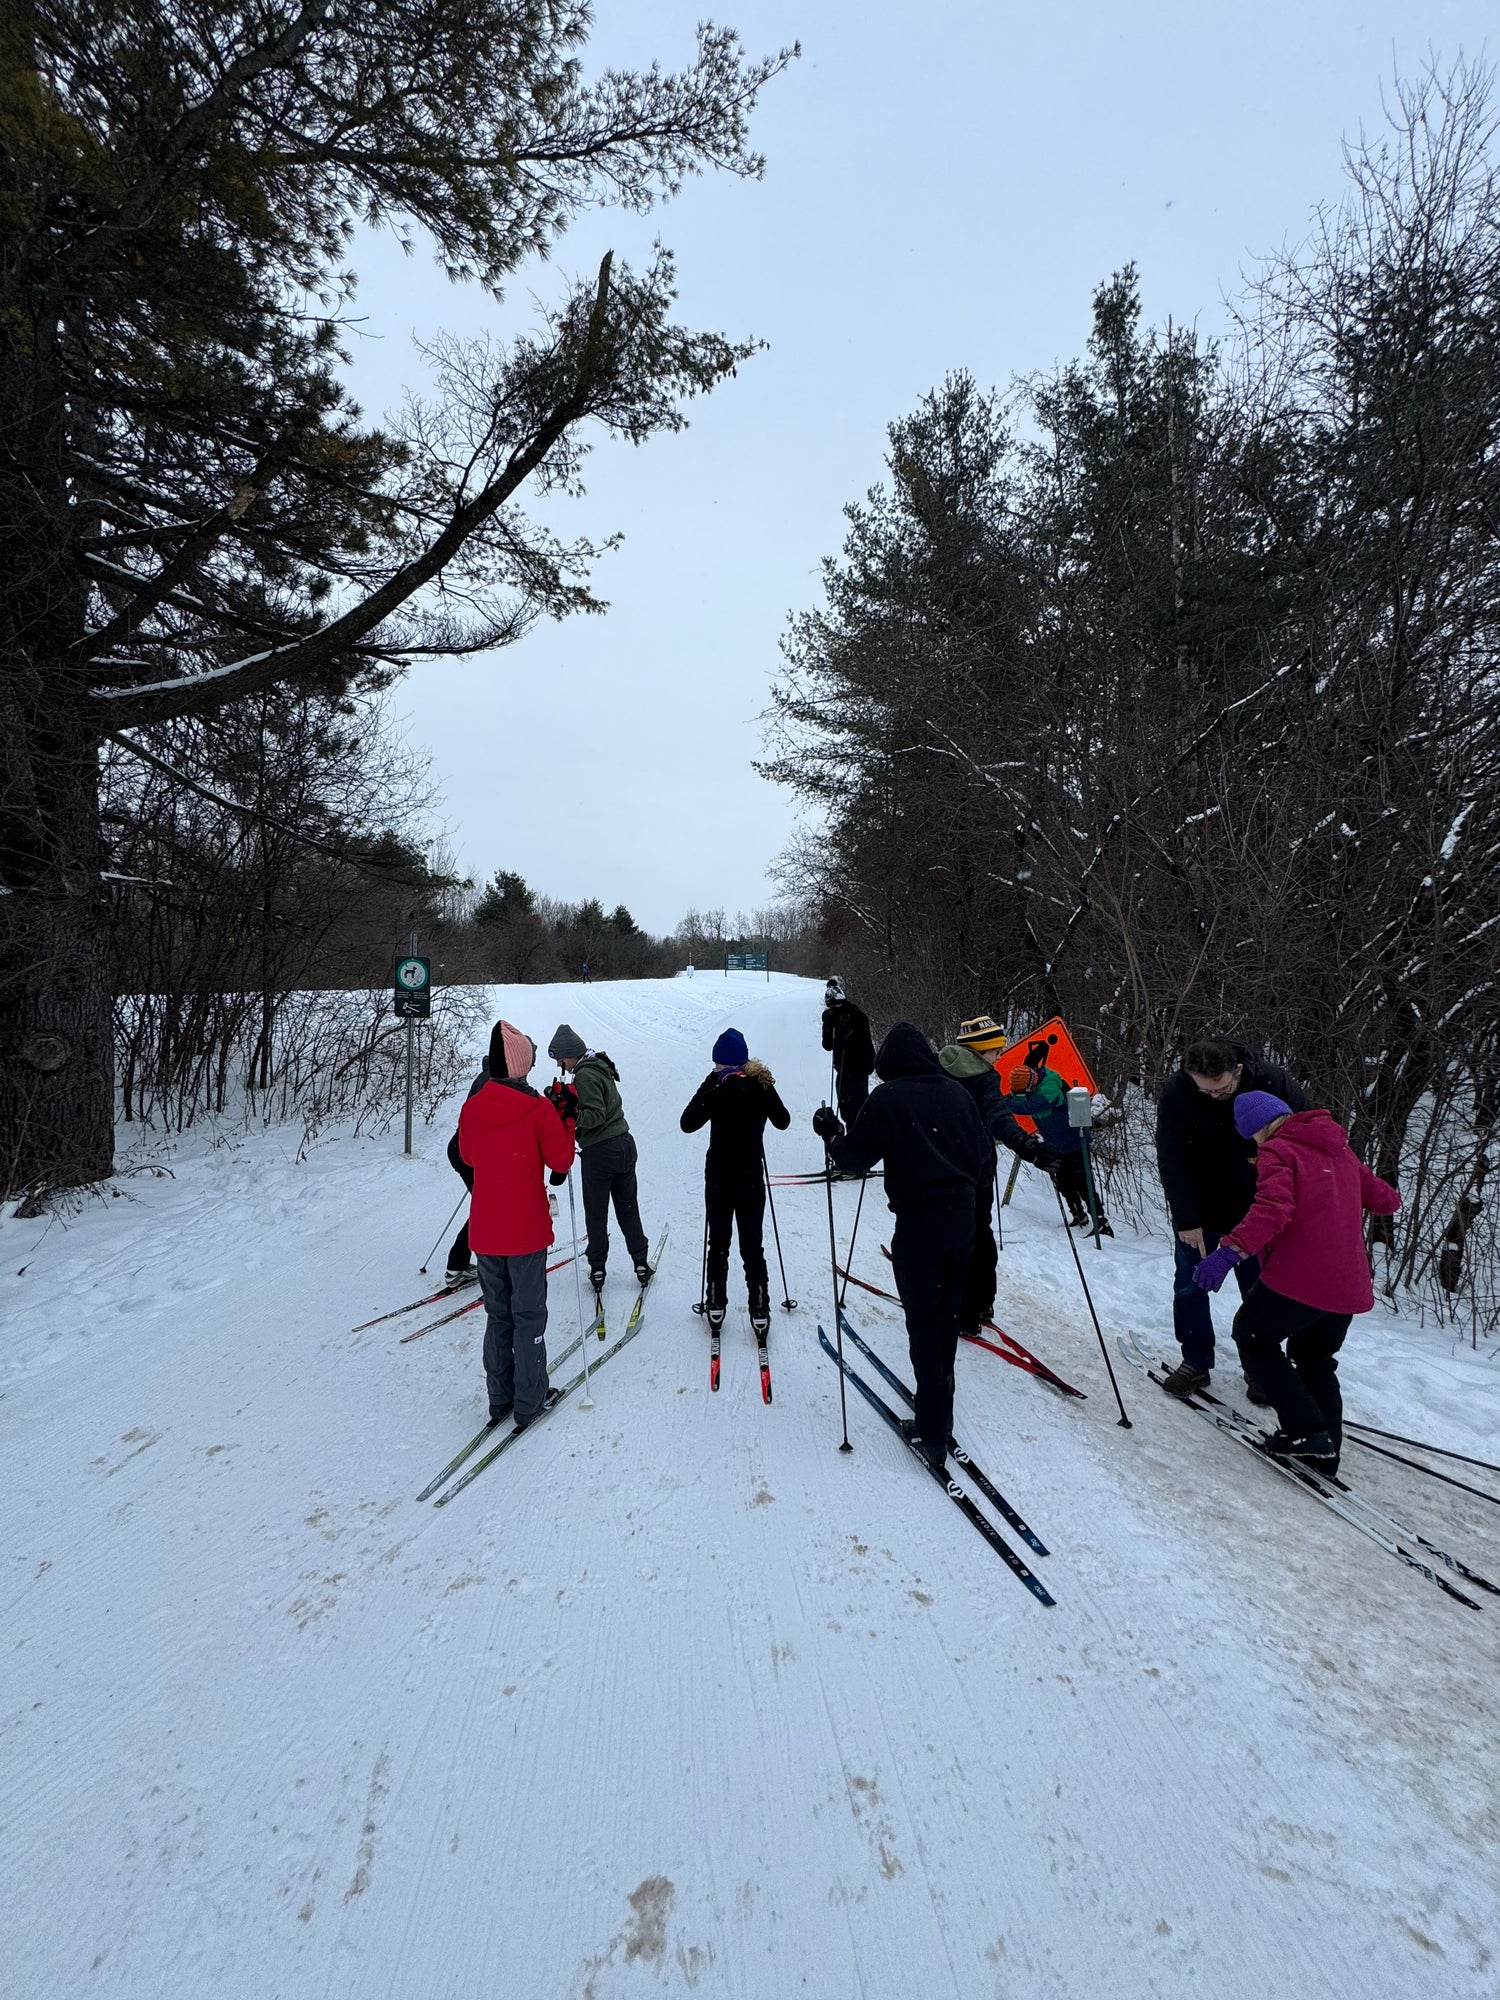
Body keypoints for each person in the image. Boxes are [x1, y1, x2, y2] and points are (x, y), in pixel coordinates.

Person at [812, 1022, 990, 1471]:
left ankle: (932, 1430)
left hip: (919, 1225)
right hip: (962, 1219)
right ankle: (938, 1398)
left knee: (924, 1321)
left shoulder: (888, 1097)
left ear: (887, 1064)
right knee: (946, 1317)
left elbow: (853, 1158)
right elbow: (983, 1157)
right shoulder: (958, 1095)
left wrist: (831, 1132)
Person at [1192, 1091, 1400, 1472]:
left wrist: (1228, 1252)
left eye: (1251, 1137)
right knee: (1315, 1360)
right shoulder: (1339, 1148)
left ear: (1258, 1128)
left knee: (1253, 1336)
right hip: (1348, 1283)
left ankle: (1305, 1431)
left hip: (1300, 1279)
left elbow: (1273, 1209)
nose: (1254, 1145)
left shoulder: (1279, 1151)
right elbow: (1385, 1200)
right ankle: (1324, 1449)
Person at [1155, 1036, 1310, 1398]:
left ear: (1237, 1070)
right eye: (1203, 1089)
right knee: (1189, 1286)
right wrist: (1186, 1219)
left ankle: (1259, 1369)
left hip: (1258, 1211)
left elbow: (1307, 1133)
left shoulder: (1272, 1082)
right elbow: (1170, 1156)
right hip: (1200, 1209)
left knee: (1259, 1294)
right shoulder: (1178, 1091)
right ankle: (1195, 1360)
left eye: (1221, 1088)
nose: (1212, 1096)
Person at [457, 1019, 575, 1429]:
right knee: (528, 1315)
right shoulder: (538, 1108)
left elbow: (468, 1156)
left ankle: (499, 1397)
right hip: (525, 1231)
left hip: (487, 1230)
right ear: (522, 1065)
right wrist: (566, 1121)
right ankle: (530, 1399)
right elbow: (561, 1160)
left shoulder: (473, 1106)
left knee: (498, 1314)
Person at [679, 1028, 791, 1333]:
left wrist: (709, 1083)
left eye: (716, 1064)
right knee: (752, 1244)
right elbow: (783, 1120)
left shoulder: (718, 1090)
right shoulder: (761, 1085)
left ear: (723, 1064)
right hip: (751, 1176)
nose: (714, 1068)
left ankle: (716, 1301)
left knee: (719, 1242)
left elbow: (687, 1123)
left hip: (719, 1178)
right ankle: (759, 1304)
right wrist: (765, 1091)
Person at [938, 1039, 1050, 1336]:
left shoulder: (939, 1069)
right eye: (996, 1051)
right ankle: (975, 1309)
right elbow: (999, 1118)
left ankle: (964, 1305)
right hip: (977, 1169)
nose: (1000, 1057)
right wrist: (1027, 1146)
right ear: (980, 1051)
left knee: (956, 1237)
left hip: (947, 1167)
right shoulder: (985, 1077)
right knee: (979, 1236)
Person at [546, 1023, 652, 1294]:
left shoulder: (584, 1075)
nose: (561, 1064)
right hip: (624, 1145)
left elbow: (596, 1115)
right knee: (627, 1207)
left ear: (571, 1054)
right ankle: (640, 1260)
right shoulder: (598, 1066)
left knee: (596, 1212)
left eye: (561, 1059)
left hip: (601, 1151)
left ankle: (597, 1266)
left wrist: (568, 1115)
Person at [996, 1042, 1113, 1238]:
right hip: (1055, 1143)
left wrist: (998, 1101)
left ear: (1032, 1084)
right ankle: (1079, 1216)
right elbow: (1033, 1059)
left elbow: (1029, 1106)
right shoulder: (1030, 1075)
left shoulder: (1048, 1090)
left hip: (1074, 1141)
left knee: (1084, 1182)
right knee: (1064, 1182)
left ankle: (1101, 1222)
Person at [821, 977, 875, 1124]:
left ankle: (858, 1141)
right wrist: (827, 1026)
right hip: (843, 1071)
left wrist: (848, 1035)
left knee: (857, 1114)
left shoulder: (857, 1016)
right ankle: (850, 1140)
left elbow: (865, 1045)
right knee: (846, 1112)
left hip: (857, 1072)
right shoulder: (833, 1017)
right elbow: (827, 1045)